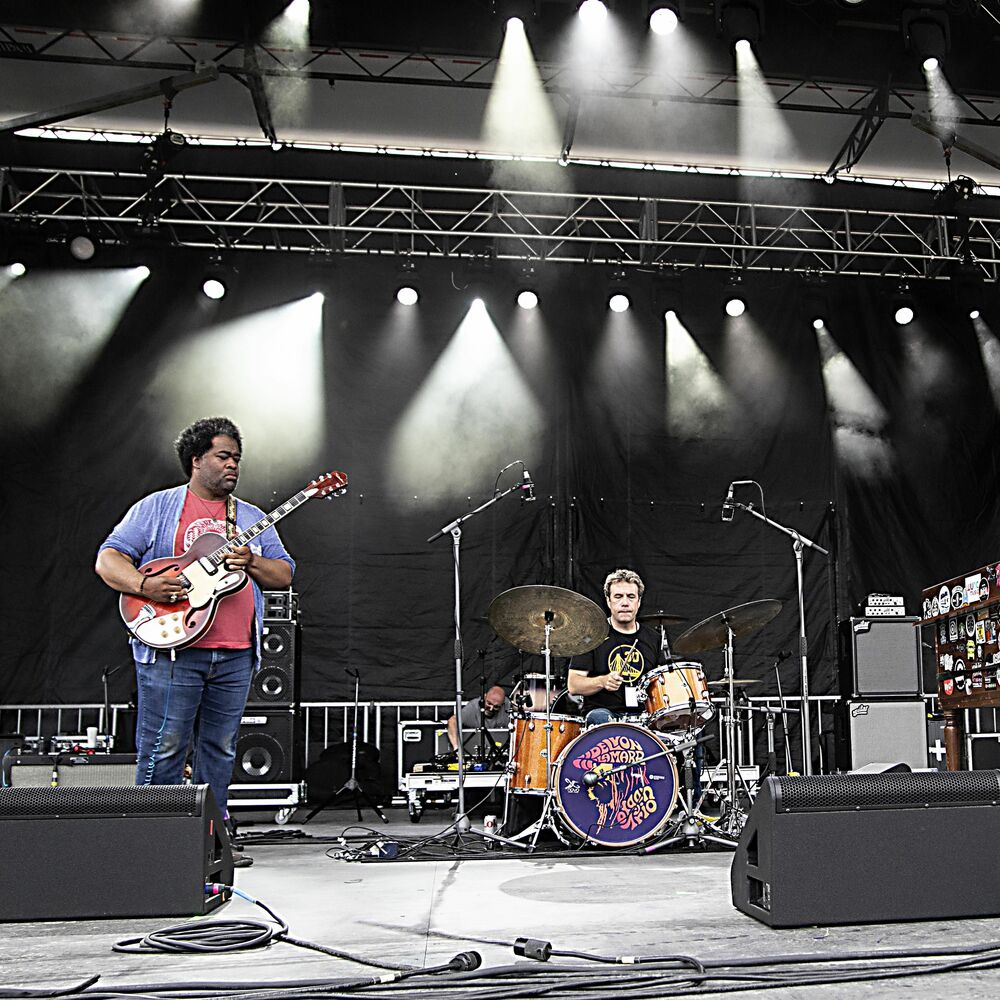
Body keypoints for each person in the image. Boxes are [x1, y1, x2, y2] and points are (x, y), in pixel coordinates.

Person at [95, 417, 295, 864]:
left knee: (220, 749)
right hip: (171, 648)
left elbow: (283, 572)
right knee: (164, 745)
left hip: (235, 652)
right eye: (223, 457)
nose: (233, 466)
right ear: (196, 459)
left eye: (237, 459)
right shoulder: (158, 507)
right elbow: (108, 558)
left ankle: (212, 844)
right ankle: (153, 845)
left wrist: (253, 563)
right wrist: (145, 588)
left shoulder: (250, 518)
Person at [568, 568, 658, 727]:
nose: (625, 602)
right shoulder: (592, 637)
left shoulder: (654, 639)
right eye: (618, 597)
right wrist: (602, 681)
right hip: (605, 713)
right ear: (608, 601)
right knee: (599, 717)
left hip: (645, 715)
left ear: (639, 601)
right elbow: (573, 684)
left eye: (631, 597)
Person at [446, 685, 511, 751]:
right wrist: (456, 748)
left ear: (503, 704)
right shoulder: (473, 707)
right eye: (489, 703)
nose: (491, 709)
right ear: (484, 697)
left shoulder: (507, 707)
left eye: (496, 707)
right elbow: (453, 721)